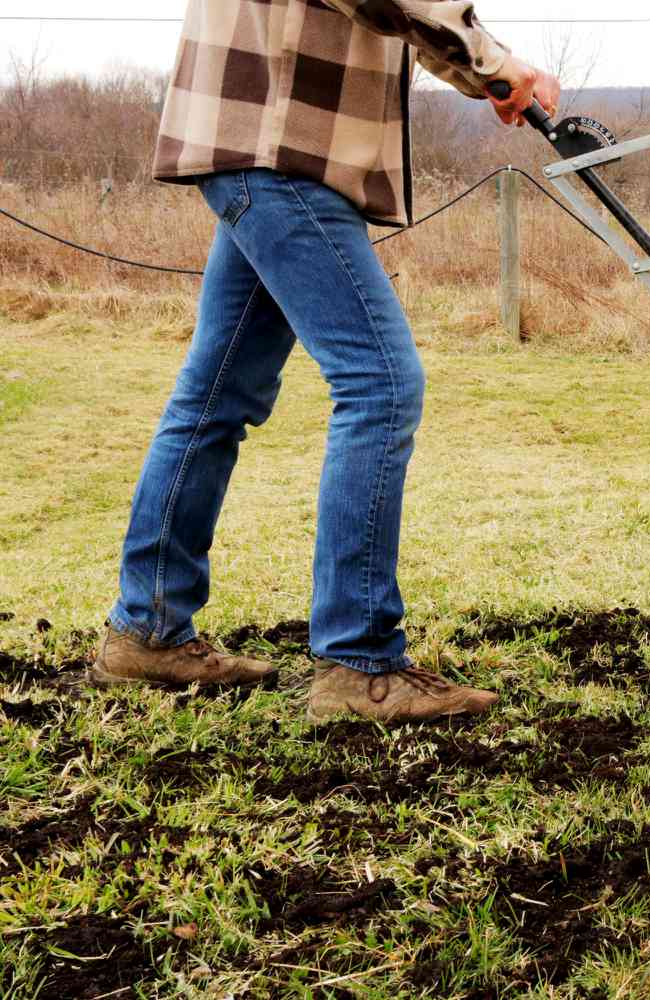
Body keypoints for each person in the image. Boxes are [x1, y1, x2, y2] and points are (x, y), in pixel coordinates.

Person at [92, 0, 560, 724]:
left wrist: (482, 77)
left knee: (216, 395)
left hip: (260, 144)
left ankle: (145, 631)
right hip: (285, 149)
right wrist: (497, 63)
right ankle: (359, 663)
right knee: (380, 384)